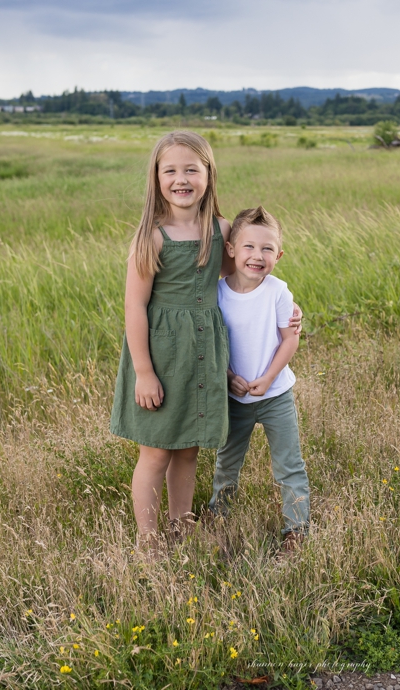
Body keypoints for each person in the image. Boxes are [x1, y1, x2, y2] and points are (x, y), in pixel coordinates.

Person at [110, 131, 235, 556]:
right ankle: (148, 542)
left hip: (202, 354)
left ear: (209, 174)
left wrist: (284, 304)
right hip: (163, 357)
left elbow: (242, 278)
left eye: (191, 169)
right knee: (156, 453)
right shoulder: (152, 236)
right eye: (171, 171)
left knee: (188, 450)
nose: (181, 179)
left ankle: (182, 525)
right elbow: (134, 307)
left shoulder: (221, 230)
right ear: (157, 177)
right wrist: (144, 372)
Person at [208, 206, 310, 555]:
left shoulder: (278, 292)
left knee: (289, 464)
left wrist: (268, 378)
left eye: (267, 249)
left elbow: (290, 339)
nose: (257, 255)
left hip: (275, 394)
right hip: (235, 397)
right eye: (249, 246)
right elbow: (213, 343)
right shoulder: (217, 294)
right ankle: (218, 514)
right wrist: (228, 377)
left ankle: (296, 529)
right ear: (231, 249)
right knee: (227, 461)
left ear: (278, 256)